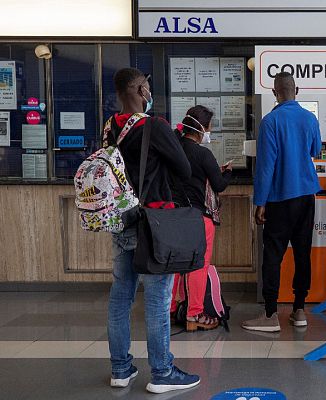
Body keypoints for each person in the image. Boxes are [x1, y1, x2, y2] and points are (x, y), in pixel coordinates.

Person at [106, 68, 200, 393]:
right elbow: (185, 170)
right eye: (147, 85)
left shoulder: (110, 127)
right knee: (158, 298)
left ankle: (121, 370)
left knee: (120, 297)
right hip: (154, 223)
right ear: (140, 89)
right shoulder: (154, 126)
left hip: (122, 222)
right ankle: (162, 372)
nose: (149, 90)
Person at [242, 72, 321, 332]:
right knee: (302, 253)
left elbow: (265, 166)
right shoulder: (310, 118)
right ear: (296, 90)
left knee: (273, 255)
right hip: (306, 196)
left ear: (275, 93)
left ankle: (270, 314)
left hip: (278, 198)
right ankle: (299, 310)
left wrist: (260, 202)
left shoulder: (270, 121)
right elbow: (315, 151)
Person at [170, 105, 232, 331]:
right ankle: (194, 314)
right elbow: (219, 185)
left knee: (174, 263)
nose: (209, 132)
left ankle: (172, 307)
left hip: (173, 217)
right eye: (209, 128)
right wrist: (227, 173)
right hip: (198, 218)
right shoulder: (202, 153)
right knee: (198, 265)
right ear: (201, 129)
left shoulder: (173, 148)